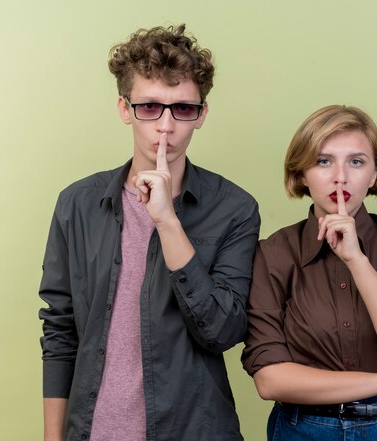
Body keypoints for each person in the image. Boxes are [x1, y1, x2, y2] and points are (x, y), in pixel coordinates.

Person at [39, 24, 260, 441]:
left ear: (202, 115)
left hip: (194, 430)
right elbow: (60, 331)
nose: (166, 126)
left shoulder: (234, 208)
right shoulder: (78, 204)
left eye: (182, 109)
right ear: (125, 109)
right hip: (94, 430)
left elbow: (222, 332)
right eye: (150, 107)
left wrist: (167, 222)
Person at [242, 105, 377, 440]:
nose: (340, 176)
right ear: (301, 175)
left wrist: (357, 261)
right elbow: (270, 380)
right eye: (324, 161)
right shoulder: (273, 253)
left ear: (375, 174)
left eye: (356, 161)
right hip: (303, 430)